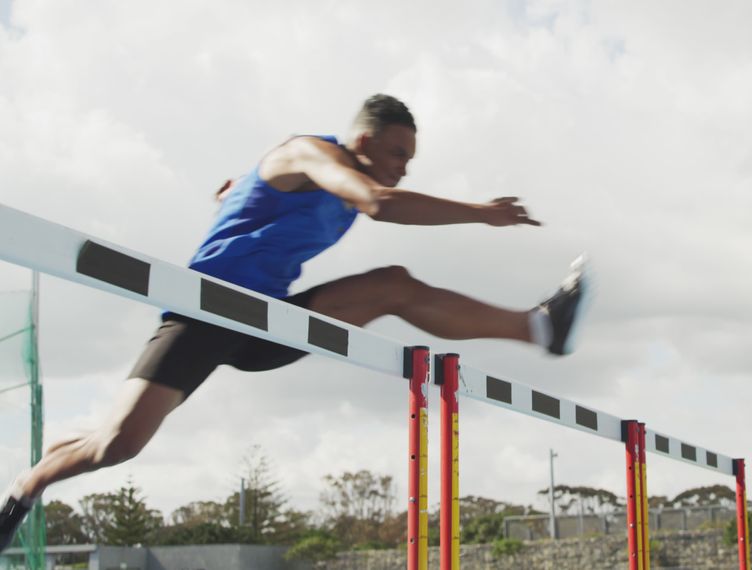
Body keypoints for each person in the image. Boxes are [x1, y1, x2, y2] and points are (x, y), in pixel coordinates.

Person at [0, 94, 588, 550]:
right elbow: (374, 201)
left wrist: (239, 192)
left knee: (394, 285)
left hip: (270, 322)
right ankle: (27, 487)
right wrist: (481, 213)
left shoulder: (337, 182)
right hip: (203, 313)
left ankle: (539, 328)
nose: (403, 170)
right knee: (118, 445)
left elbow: (278, 200)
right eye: (398, 155)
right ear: (363, 140)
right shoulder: (310, 150)